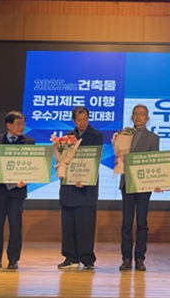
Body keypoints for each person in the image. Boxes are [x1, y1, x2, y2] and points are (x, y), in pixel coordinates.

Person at [0, 111, 35, 270]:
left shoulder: (29, 142)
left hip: (17, 191)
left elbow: (32, 165)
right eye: (18, 124)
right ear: (8, 125)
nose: (21, 127)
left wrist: (26, 178)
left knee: (16, 227)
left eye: (23, 123)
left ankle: (13, 260)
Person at [58, 106, 103, 270]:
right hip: (69, 188)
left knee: (86, 225)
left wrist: (83, 178)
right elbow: (62, 160)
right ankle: (70, 257)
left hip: (86, 187)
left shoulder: (96, 136)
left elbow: (94, 161)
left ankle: (87, 258)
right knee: (68, 224)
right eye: (79, 120)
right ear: (74, 120)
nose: (83, 123)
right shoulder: (67, 137)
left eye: (85, 119)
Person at [118, 104, 160, 271]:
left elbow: (155, 160)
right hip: (127, 182)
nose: (138, 116)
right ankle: (126, 258)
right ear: (132, 117)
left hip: (144, 184)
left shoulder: (153, 138)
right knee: (126, 222)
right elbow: (118, 155)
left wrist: (157, 181)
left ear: (147, 118)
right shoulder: (123, 135)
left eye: (142, 114)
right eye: (135, 114)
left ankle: (140, 258)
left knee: (142, 222)